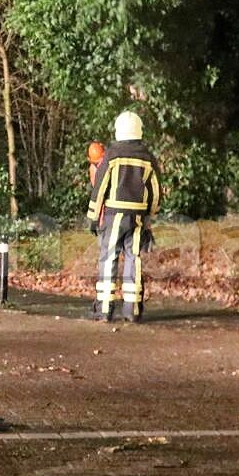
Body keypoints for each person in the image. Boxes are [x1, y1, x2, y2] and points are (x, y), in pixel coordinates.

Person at [85, 111, 161, 322]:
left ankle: (104, 309)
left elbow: (100, 187)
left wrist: (92, 216)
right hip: (137, 217)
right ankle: (132, 310)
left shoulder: (112, 154)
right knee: (133, 258)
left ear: (118, 130)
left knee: (108, 257)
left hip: (113, 215)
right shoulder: (147, 157)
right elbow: (155, 190)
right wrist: (149, 217)